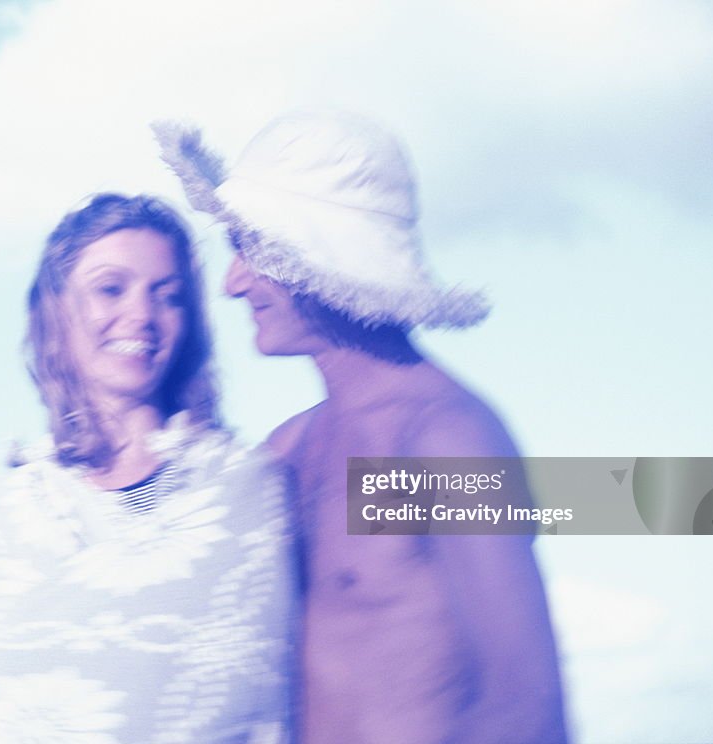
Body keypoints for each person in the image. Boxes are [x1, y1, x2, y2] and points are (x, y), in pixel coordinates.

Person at [156, 113, 567, 743]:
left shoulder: (444, 439)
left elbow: (526, 701)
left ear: (319, 261)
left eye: (251, 250)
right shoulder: (288, 449)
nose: (231, 283)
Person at [0, 194, 298, 743]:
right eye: (110, 289)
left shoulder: (247, 484)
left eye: (167, 296)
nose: (141, 315)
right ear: (56, 311)